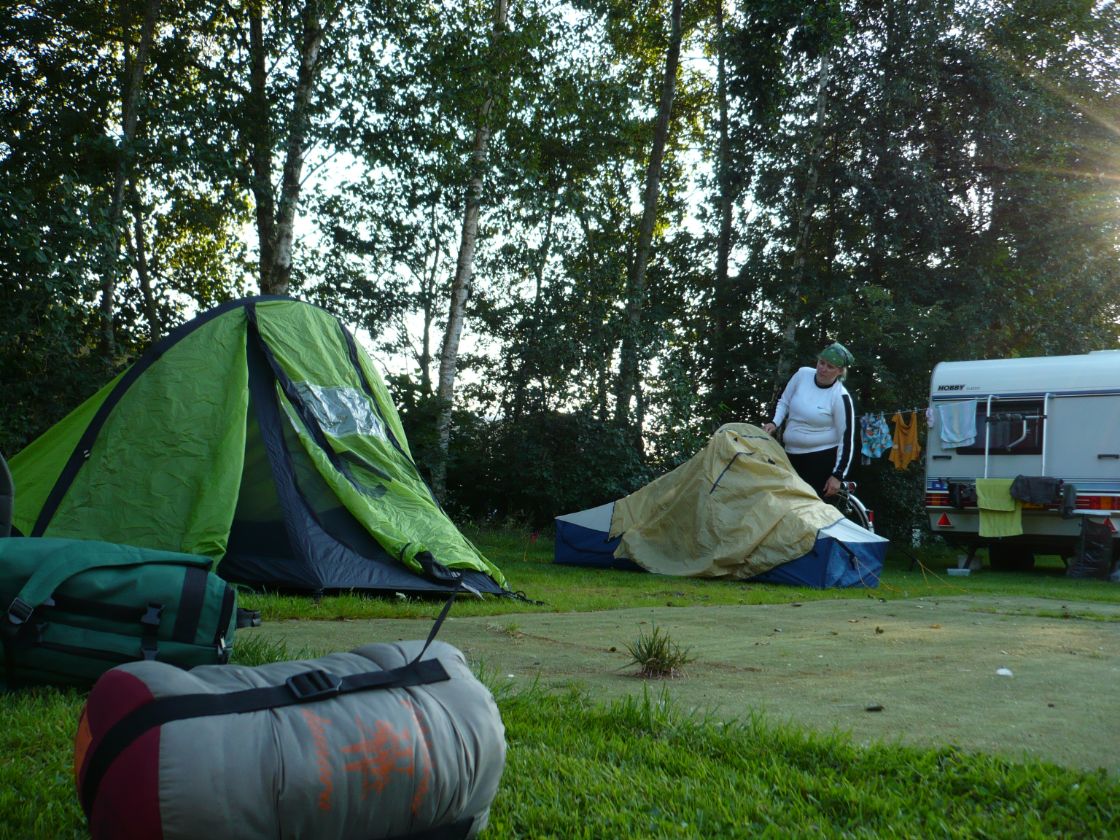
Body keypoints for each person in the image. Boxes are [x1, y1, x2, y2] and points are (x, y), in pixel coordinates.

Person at [762, 342, 856, 498]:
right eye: (821, 362)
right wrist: (774, 422)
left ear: (840, 371)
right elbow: (784, 400)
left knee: (807, 506)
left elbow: (846, 439)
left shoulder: (840, 396)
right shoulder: (802, 375)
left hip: (820, 459)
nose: (823, 368)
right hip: (789, 453)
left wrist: (838, 475)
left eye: (830, 366)